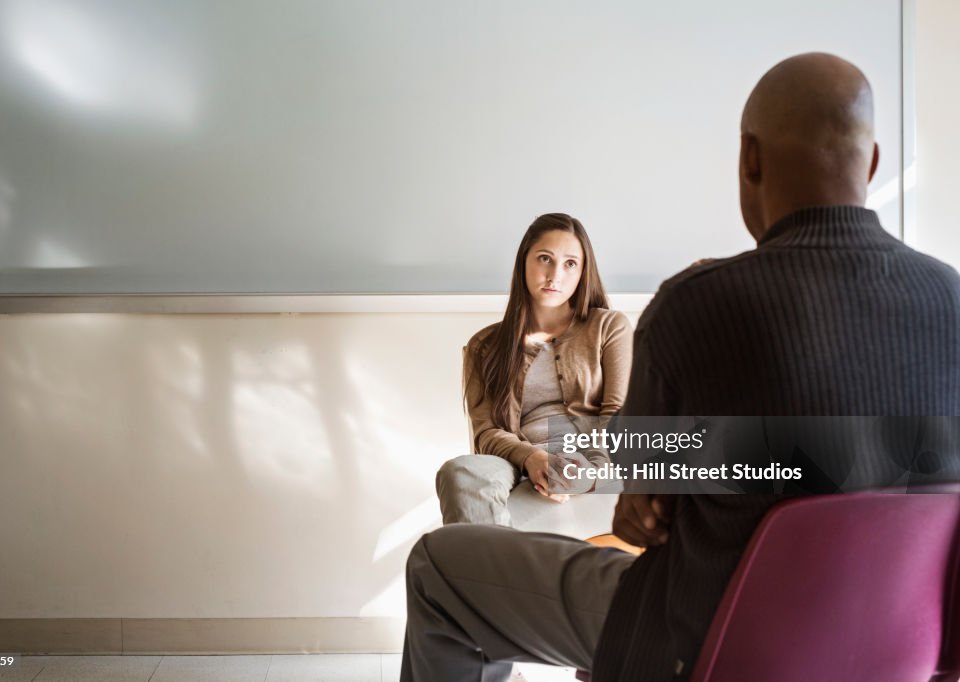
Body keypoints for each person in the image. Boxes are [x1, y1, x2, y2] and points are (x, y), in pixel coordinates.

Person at [400, 52, 960, 682]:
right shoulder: (952, 298)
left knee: (436, 566)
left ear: (749, 158)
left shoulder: (698, 304)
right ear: (875, 161)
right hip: (899, 643)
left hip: (700, 636)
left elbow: (635, 512)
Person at [436, 212, 633, 525]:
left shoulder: (609, 327)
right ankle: (488, 569)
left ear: (583, 272)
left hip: (591, 458)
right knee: (458, 472)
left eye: (570, 263)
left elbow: (619, 413)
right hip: (515, 463)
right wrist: (532, 458)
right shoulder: (484, 346)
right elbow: (486, 432)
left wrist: (591, 470)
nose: (555, 274)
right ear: (523, 263)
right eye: (545, 258)